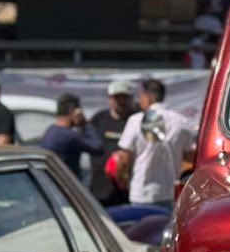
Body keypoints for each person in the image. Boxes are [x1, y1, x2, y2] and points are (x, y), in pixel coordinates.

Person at [116, 77, 194, 209]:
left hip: (142, 193)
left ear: (148, 98)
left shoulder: (136, 121)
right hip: (170, 193)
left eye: (140, 97)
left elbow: (124, 158)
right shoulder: (181, 121)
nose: (139, 101)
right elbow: (189, 156)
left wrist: (121, 179)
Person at [87, 79, 135, 206]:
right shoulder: (98, 119)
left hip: (127, 190)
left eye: (125, 97)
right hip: (100, 189)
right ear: (109, 98)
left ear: (130, 99)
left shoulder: (136, 120)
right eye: (117, 97)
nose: (121, 101)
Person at [40, 93, 105, 180]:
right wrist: (85, 124)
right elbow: (98, 148)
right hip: (67, 183)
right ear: (72, 111)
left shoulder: (51, 131)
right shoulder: (69, 136)